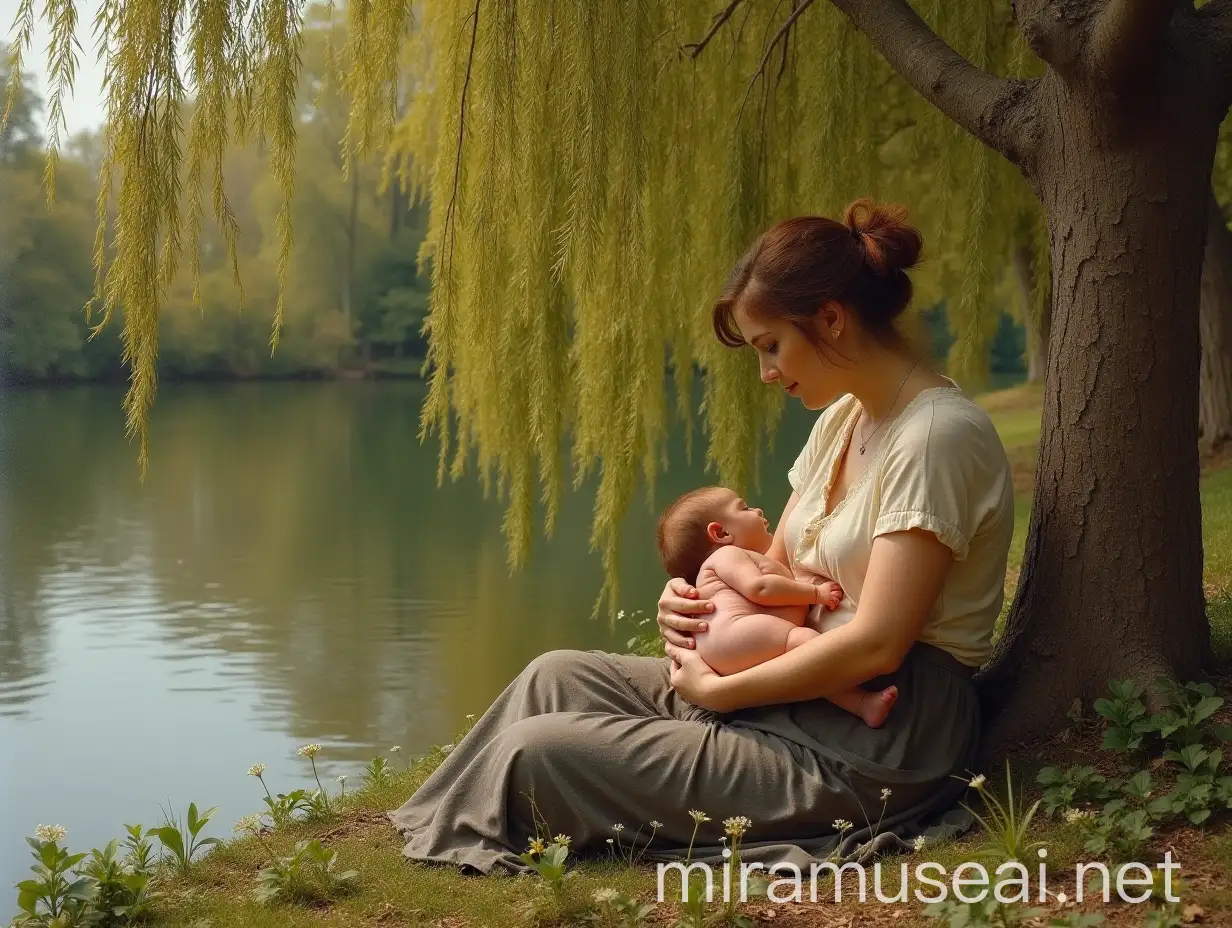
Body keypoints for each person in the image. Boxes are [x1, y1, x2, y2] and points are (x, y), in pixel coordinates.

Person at [388, 198, 1015, 873]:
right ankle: (452, 822)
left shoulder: (935, 439)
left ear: (831, 317)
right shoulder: (841, 422)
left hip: (881, 727)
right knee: (552, 678)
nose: (767, 372)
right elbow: (767, 570)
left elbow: (878, 643)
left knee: (534, 755)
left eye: (771, 345)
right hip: (794, 683)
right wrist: (698, 599)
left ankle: (496, 823)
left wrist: (721, 693)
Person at [656, 485, 899, 727]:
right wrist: (816, 593)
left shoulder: (736, 562)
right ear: (720, 533)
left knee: (801, 668)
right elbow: (760, 588)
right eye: (745, 508)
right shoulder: (726, 555)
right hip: (735, 633)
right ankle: (860, 699)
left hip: (717, 652)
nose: (759, 510)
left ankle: (860, 704)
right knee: (803, 644)